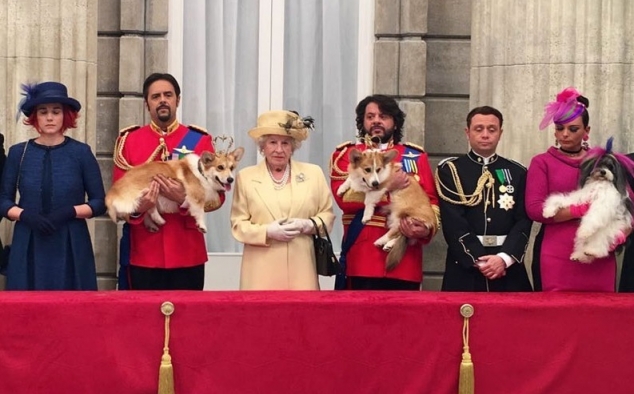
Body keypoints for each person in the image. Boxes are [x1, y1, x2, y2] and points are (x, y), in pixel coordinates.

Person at [112, 73, 224, 290]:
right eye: (155, 96)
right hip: (145, 251)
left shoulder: (199, 140)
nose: (162, 100)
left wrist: (185, 198)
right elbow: (119, 199)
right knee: (144, 321)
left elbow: (217, 198)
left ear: (177, 100)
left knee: (188, 321)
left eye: (168, 95)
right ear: (147, 104)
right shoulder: (129, 141)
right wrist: (138, 208)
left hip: (187, 251)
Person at [0, 81, 105, 290]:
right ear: (35, 117)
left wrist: (69, 212)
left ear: (66, 116)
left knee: (71, 310)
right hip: (28, 240)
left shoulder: (81, 152)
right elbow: (3, 201)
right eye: (43, 111)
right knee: (27, 309)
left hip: (70, 240)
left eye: (56, 111)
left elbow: (100, 202)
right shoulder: (18, 153)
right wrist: (25, 215)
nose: (49, 117)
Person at [330, 95, 439, 290]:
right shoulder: (349, 155)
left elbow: (431, 202)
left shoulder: (414, 156)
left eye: (384, 116)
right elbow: (344, 199)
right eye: (370, 117)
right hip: (363, 257)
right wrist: (388, 187)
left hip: (405, 259)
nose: (376, 121)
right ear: (362, 122)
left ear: (395, 123)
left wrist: (425, 230)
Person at [525, 87, 621, 292]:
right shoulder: (542, 162)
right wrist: (581, 209)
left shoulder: (603, 161)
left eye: (573, 129)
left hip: (598, 249)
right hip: (557, 252)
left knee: (600, 316)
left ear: (587, 131)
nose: (565, 134)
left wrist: (618, 235)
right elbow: (534, 209)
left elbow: (626, 201)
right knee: (557, 317)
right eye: (560, 128)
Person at [230, 110, 335, 290]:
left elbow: (327, 215)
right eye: (272, 142)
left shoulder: (313, 173)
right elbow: (238, 225)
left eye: (285, 143)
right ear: (262, 146)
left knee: (302, 317)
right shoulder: (245, 177)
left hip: (302, 271)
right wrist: (267, 231)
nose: (279, 149)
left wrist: (307, 225)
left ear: (293, 146)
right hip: (260, 274)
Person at [436, 106, 533, 292]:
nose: (485, 135)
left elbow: (523, 220)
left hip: (507, 268)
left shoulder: (516, 172)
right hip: (465, 268)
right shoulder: (451, 170)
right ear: (467, 132)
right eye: (478, 129)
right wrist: (480, 260)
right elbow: (453, 223)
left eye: (492, 129)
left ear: (500, 133)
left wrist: (503, 259)